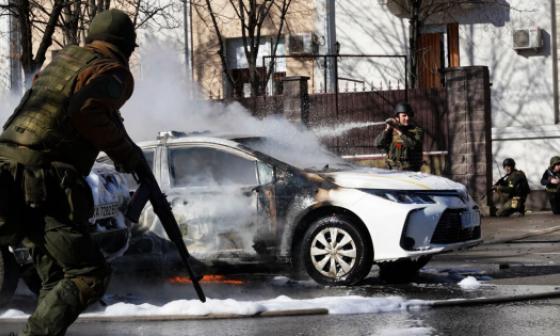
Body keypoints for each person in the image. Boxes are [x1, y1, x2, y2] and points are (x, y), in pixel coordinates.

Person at [0, 9, 149, 335]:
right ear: (126, 46)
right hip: (40, 179)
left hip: (7, 173)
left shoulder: (62, 62)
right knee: (88, 273)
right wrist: (128, 155)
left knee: (53, 277)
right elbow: (88, 110)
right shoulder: (113, 71)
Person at [374, 102, 424, 171]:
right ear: (397, 118)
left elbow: (413, 145)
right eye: (404, 115)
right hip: (393, 170)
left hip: (411, 170)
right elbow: (377, 144)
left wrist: (399, 131)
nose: (407, 118)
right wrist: (387, 129)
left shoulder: (417, 131)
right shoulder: (391, 131)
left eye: (409, 115)